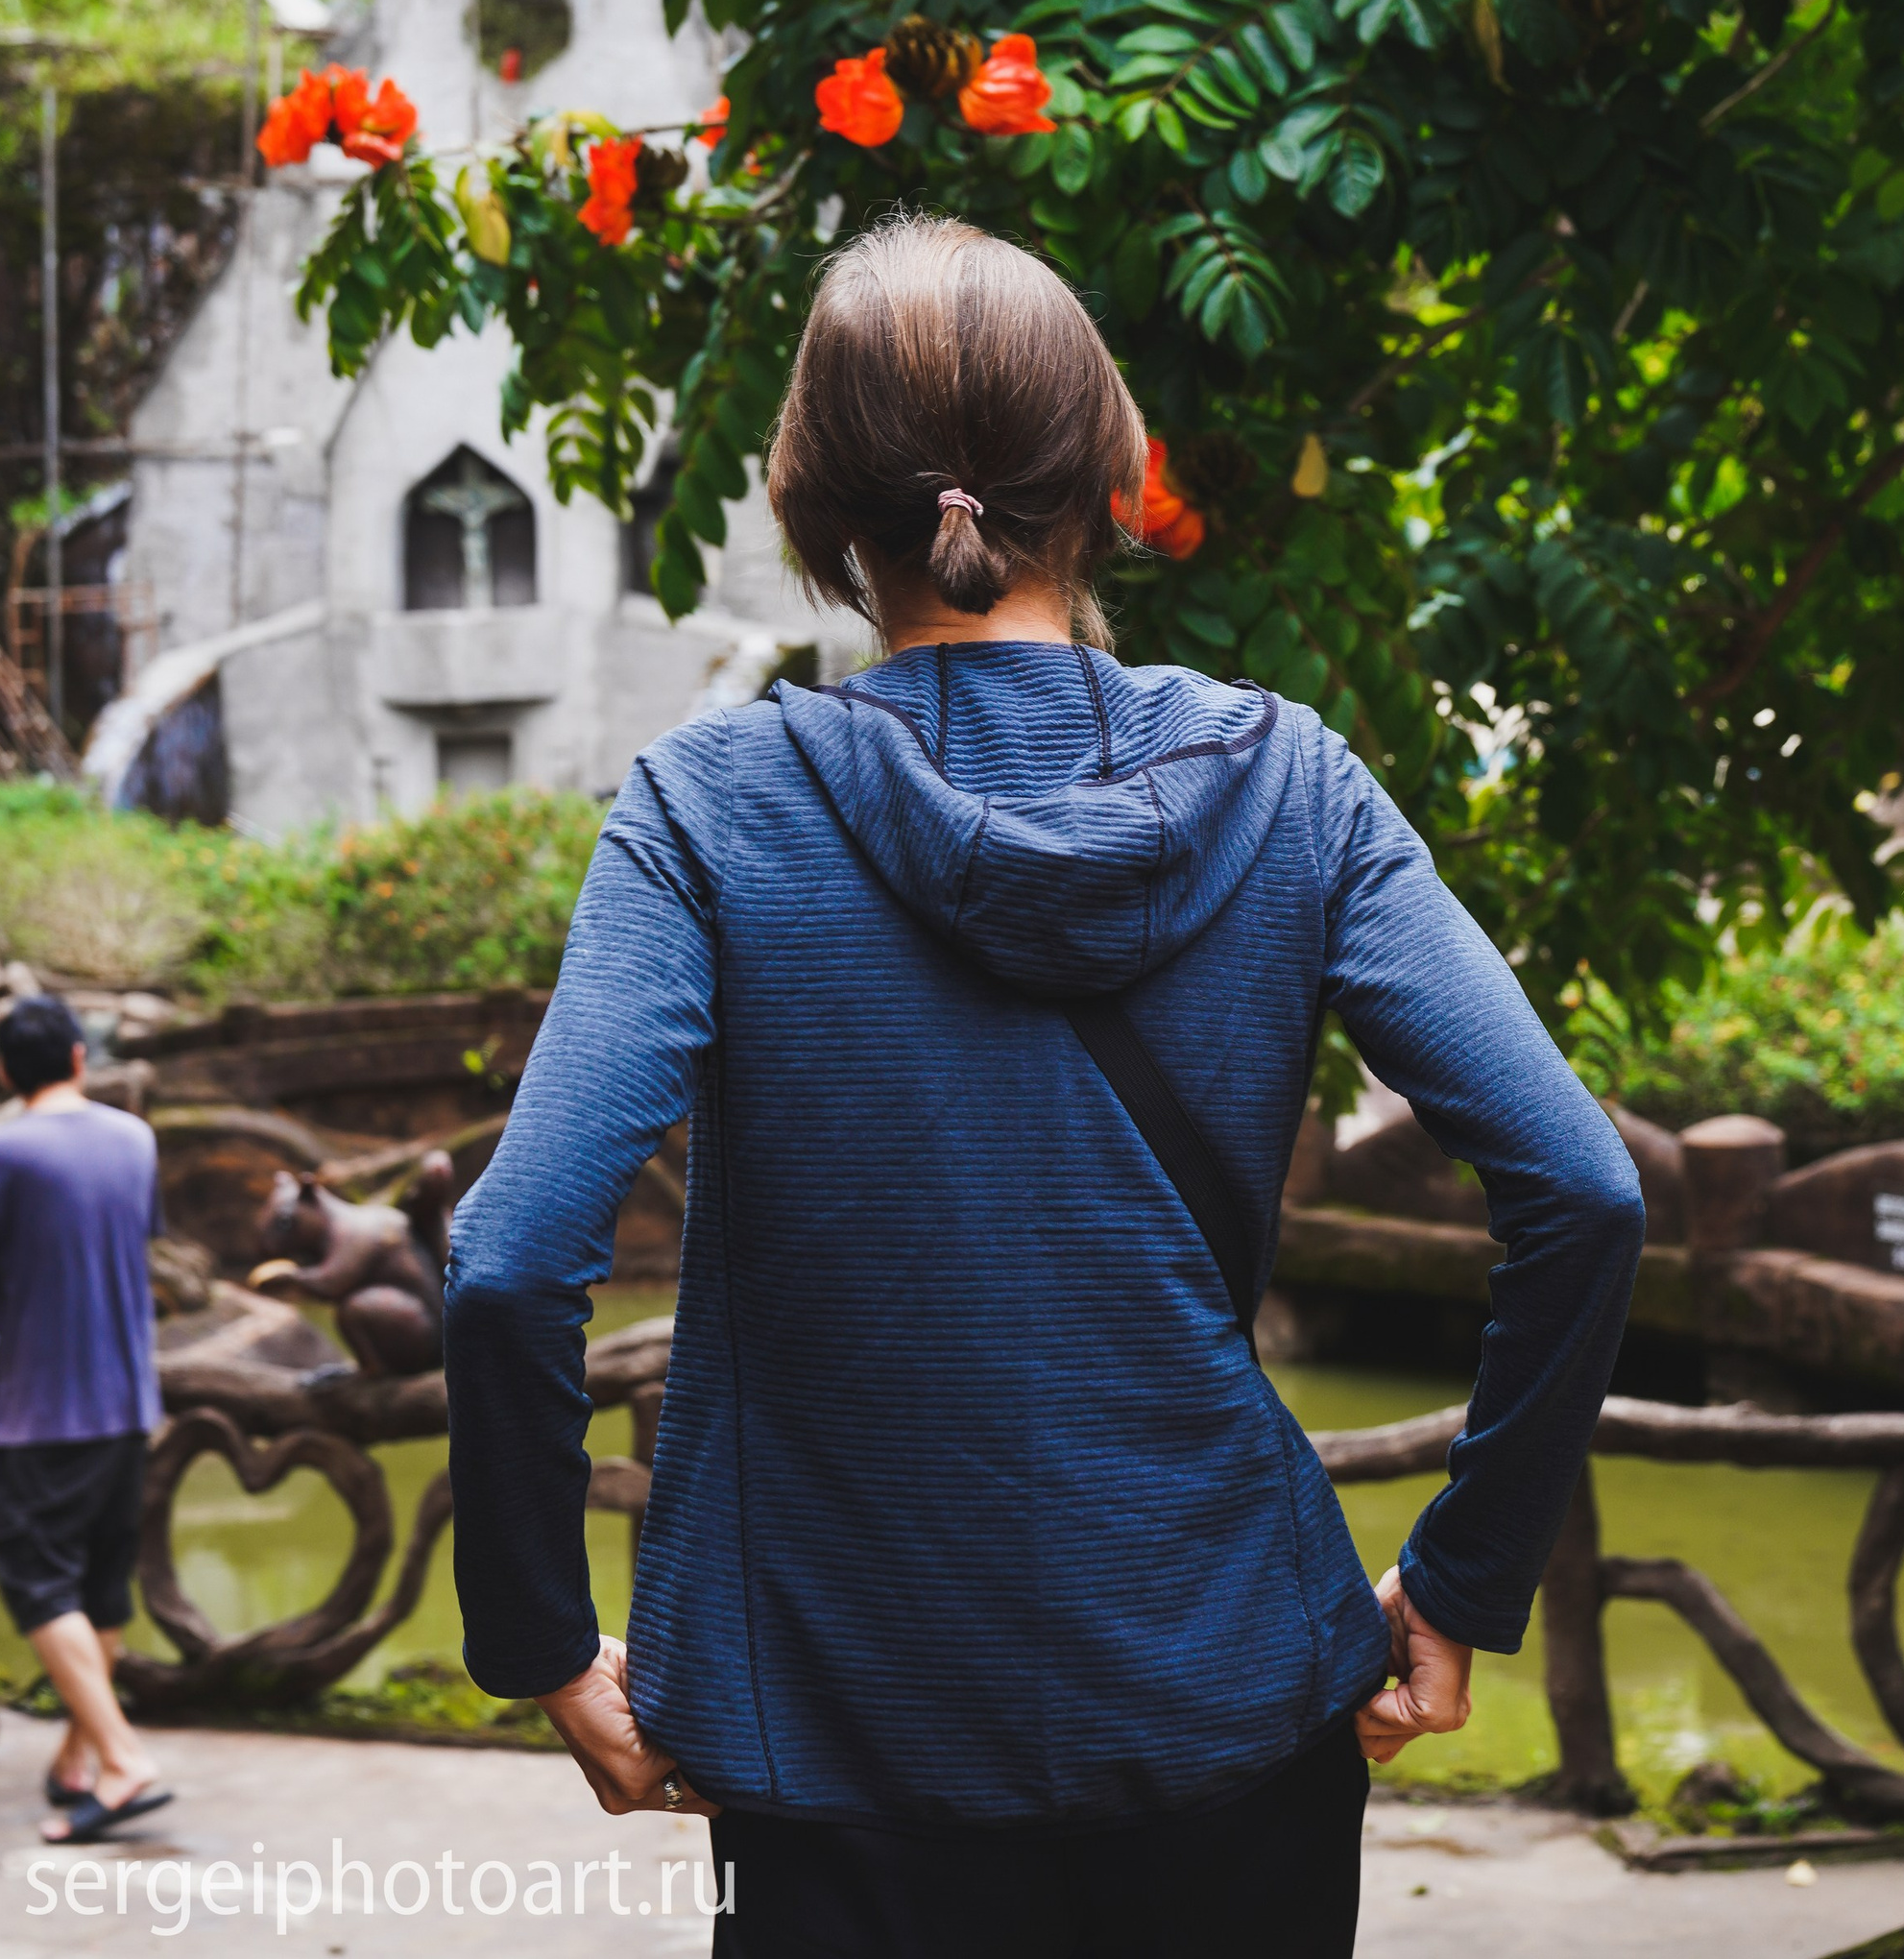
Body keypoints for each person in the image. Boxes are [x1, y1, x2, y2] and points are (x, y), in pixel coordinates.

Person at [446, 214, 1644, 1957]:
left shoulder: (710, 813)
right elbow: (1582, 1193)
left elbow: (509, 1262)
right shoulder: (1294, 786)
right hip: (1242, 1703)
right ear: (1116, 475)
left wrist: (541, 1641)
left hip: (841, 1745)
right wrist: (1465, 1576)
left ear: (807, 504)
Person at [0, 994, 173, 1846]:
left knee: (33, 1574)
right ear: (82, 1060)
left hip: (41, 1409)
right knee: (99, 1582)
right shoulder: (136, 1138)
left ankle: (120, 1759)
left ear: (5, 1071)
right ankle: (77, 1762)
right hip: (129, 1402)